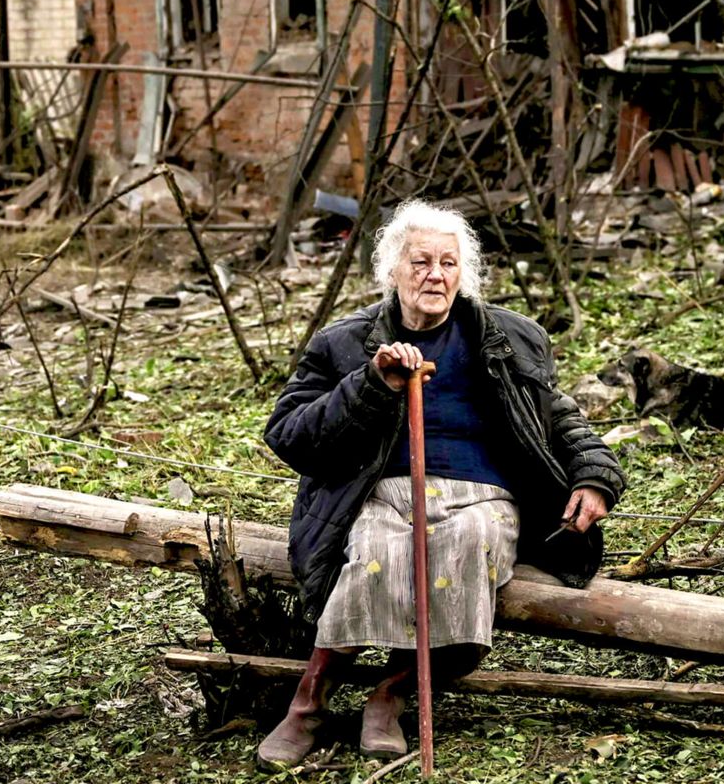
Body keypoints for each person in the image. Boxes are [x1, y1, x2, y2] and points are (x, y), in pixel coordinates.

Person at [258, 200, 626, 770]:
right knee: (377, 553)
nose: (436, 275)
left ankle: (392, 692)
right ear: (393, 271)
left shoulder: (507, 337)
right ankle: (308, 703)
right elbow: (289, 434)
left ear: (464, 273)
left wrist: (594, 475)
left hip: (483, 495)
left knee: (466, 547)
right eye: (422, 262)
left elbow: (559, 415)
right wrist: (370, 383)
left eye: (449, 263)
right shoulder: (343, 343)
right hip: (378, 492)